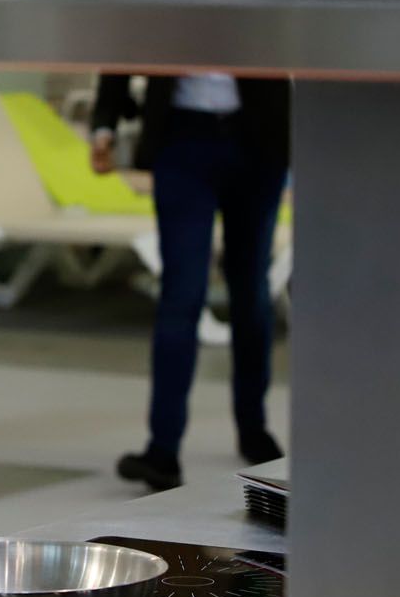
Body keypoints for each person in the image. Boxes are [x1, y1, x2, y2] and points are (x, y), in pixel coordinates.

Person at [92, 72, 288, 493]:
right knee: (180, 293)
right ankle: (162, 451)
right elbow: (126, 35)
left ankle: (254, 428)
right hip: (182, 136)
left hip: (260, 136)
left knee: (250, 287)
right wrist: (104, 121)